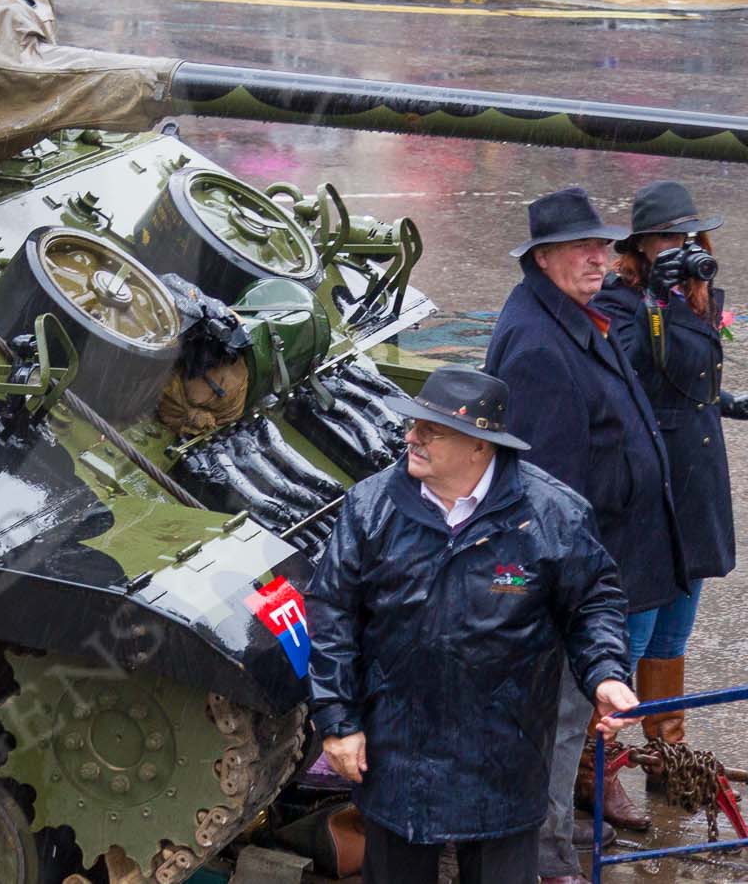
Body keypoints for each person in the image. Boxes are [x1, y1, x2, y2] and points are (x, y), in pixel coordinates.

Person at [307, 364, 637, 884]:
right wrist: (339, 722)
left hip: (504, 754)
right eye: (414, 423)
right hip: (398, 752)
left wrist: (606, 674)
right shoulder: (371, 507)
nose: (410, 437)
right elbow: (332, 614)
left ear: (480, 445)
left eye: (430, 430)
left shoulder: (552, 514)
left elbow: (594, 601)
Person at [486, 187, 687, 874]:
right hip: (576, 579)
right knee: (561, 721)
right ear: (542, 258)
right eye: (581, 247)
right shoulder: (539, 344)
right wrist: (572, 594)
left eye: (603, 244)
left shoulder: (571, 314)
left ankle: (552, 837)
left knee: (572, 720)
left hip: (605, 564)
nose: (599, 257)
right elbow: (545, 491)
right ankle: (546, 857)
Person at [596, 182, 742, 763]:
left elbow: (687, 377)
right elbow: (626, 370)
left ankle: (667, 752)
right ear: (637, 248)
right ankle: (596, 766)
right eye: (664, 238)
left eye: (684, 235)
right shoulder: (617, 303)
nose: (678, 247)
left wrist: (728, 400)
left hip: (697, 476)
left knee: (673, 635)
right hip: (649, 485)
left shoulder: (697, 297)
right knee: (629, 636)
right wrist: (655, 300)